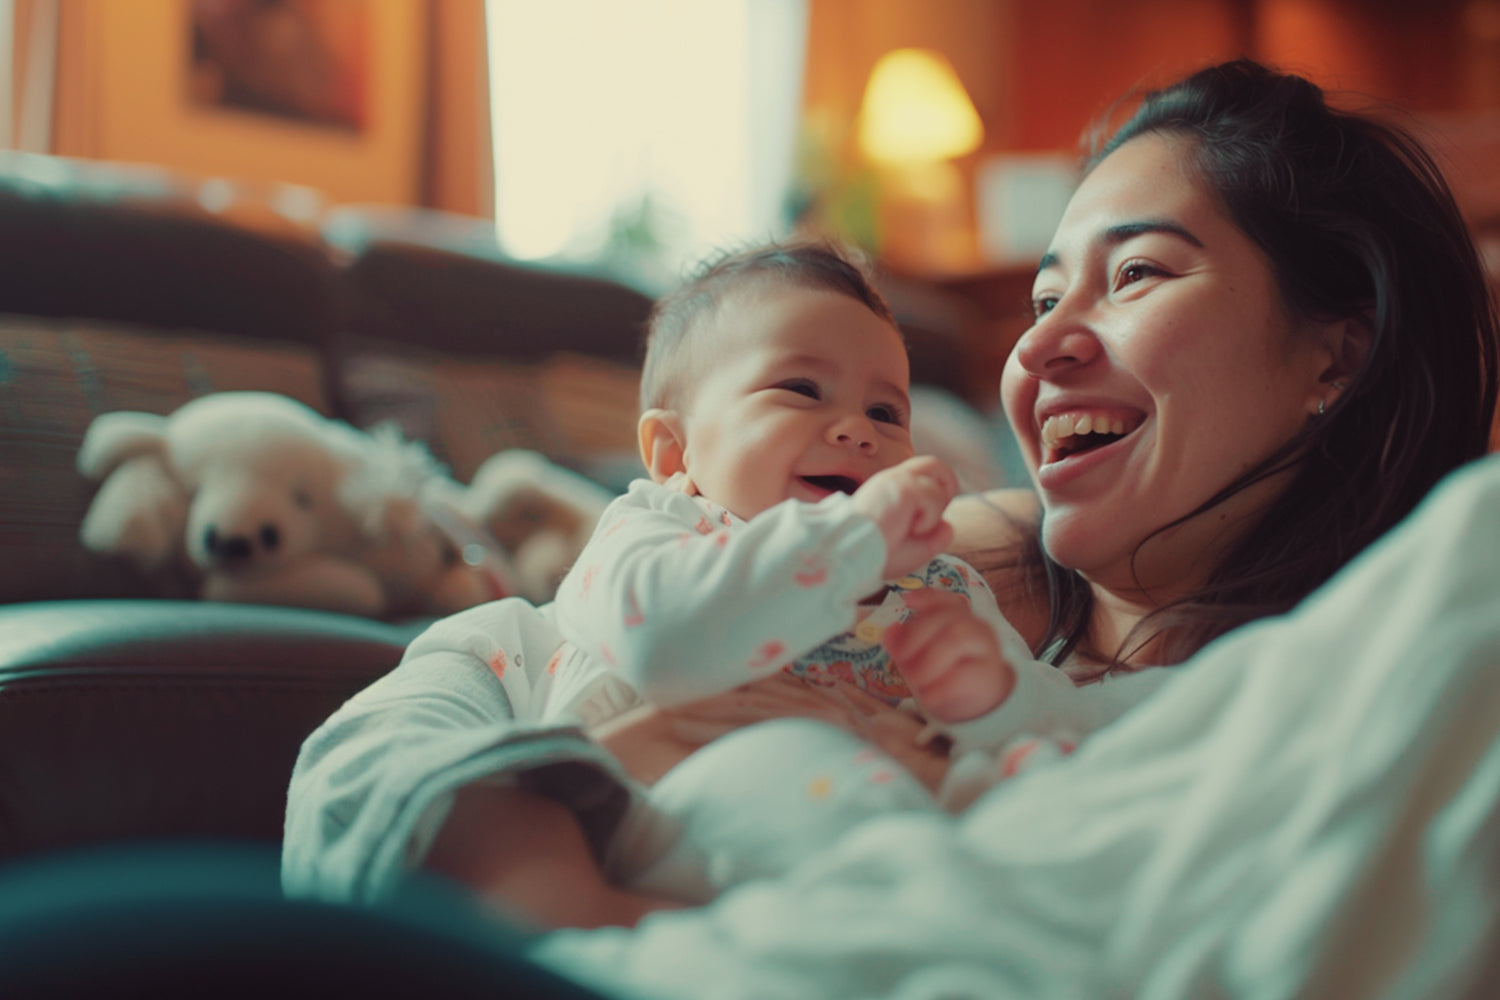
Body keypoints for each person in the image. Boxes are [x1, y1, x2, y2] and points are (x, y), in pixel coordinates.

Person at [283, 59, 1500, 995]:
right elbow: (449, 691)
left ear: (1336, 354)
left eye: (1135, 275)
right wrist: (536, 863)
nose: (1038, 346)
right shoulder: (922, 557)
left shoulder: (1344, 686)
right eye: (1040, 296)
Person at [524, 243, 1163, 921]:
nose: (859, 431)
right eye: (801, 390)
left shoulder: (937, 583)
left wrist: (990, 698)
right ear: (674, 453)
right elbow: (661, 645)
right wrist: (854, 541)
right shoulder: (651, 533)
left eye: (887, 413)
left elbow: (1034, 707)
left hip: (888, 842)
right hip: (671, 839)